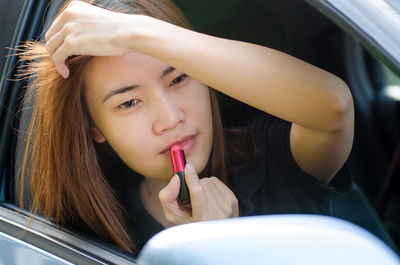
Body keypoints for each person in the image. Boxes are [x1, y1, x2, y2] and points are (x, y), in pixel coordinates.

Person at [18, 0, 354, 254]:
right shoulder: (84, 237)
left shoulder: (273, 159)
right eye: (129, 102)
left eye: (179, 77)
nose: (171, 118)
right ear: (94, 128)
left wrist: (134, 32)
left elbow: (334, 106)